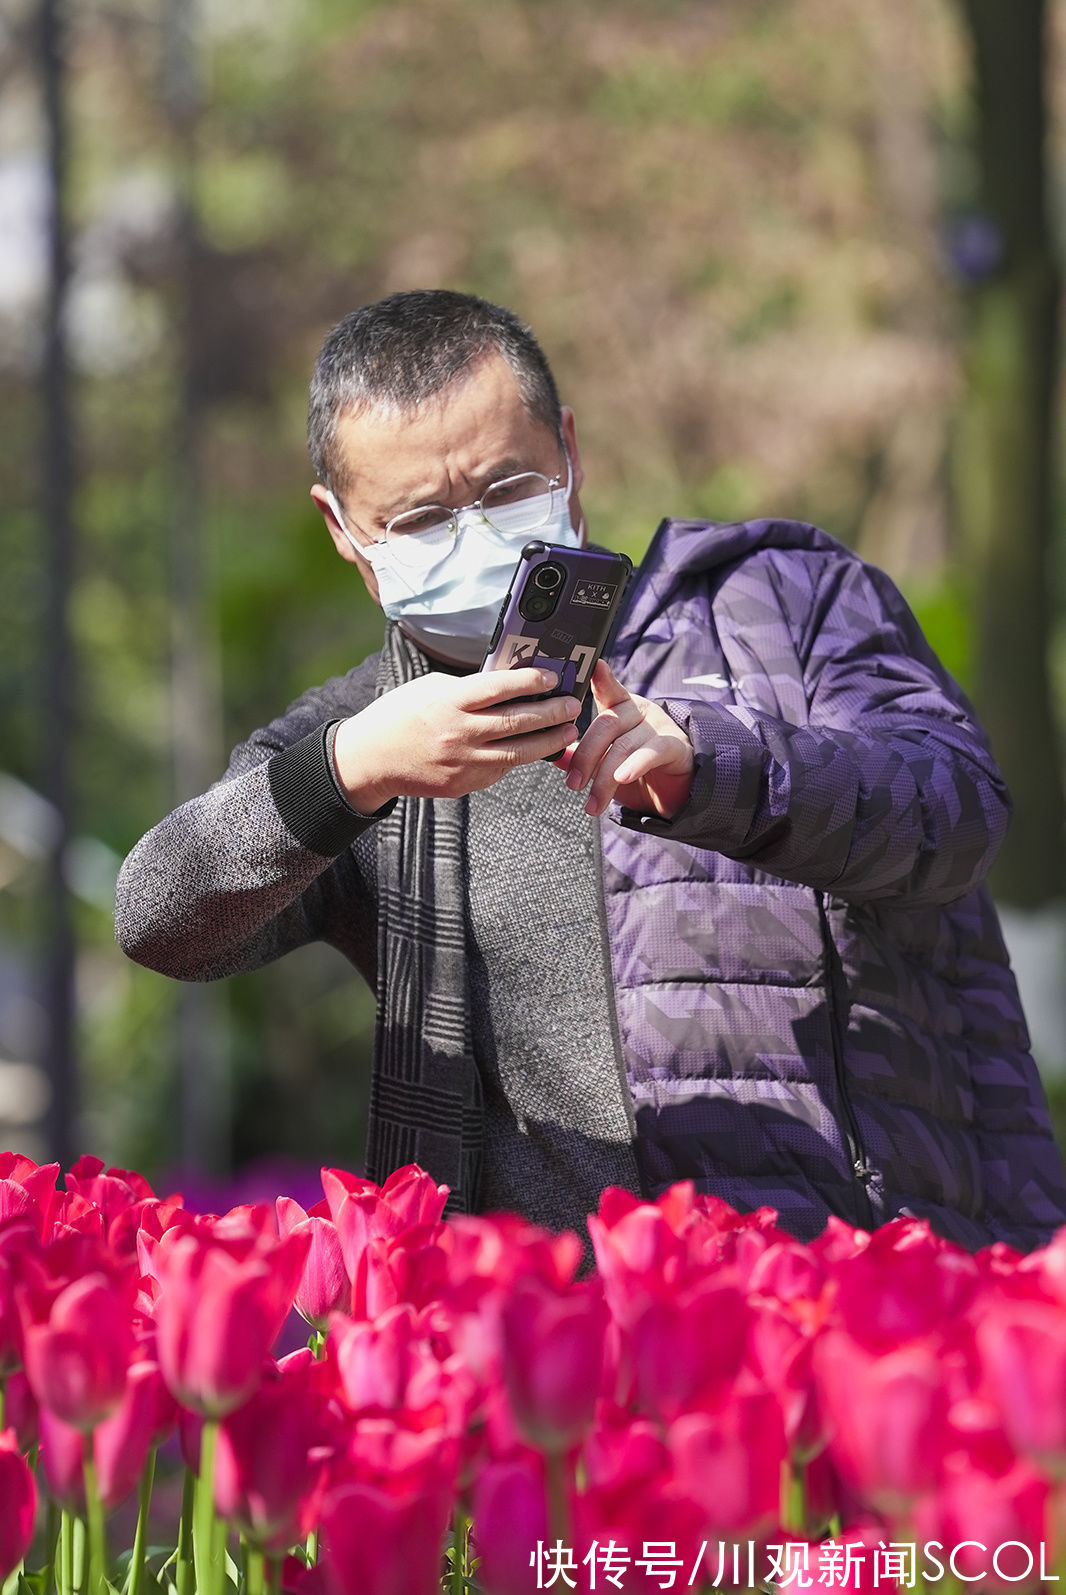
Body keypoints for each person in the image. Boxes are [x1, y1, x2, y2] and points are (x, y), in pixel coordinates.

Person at [115, 288, 1066, 1252]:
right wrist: (354, 769)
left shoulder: (782, 599)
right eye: (419, 519)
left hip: (838, 1303)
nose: (474, 537)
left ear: (567, 451)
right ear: (343, 531)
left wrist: (715, 767)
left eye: (502, 489)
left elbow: (959, 811)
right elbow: (159, 918)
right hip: (559, 1358)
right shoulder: (359, 737)